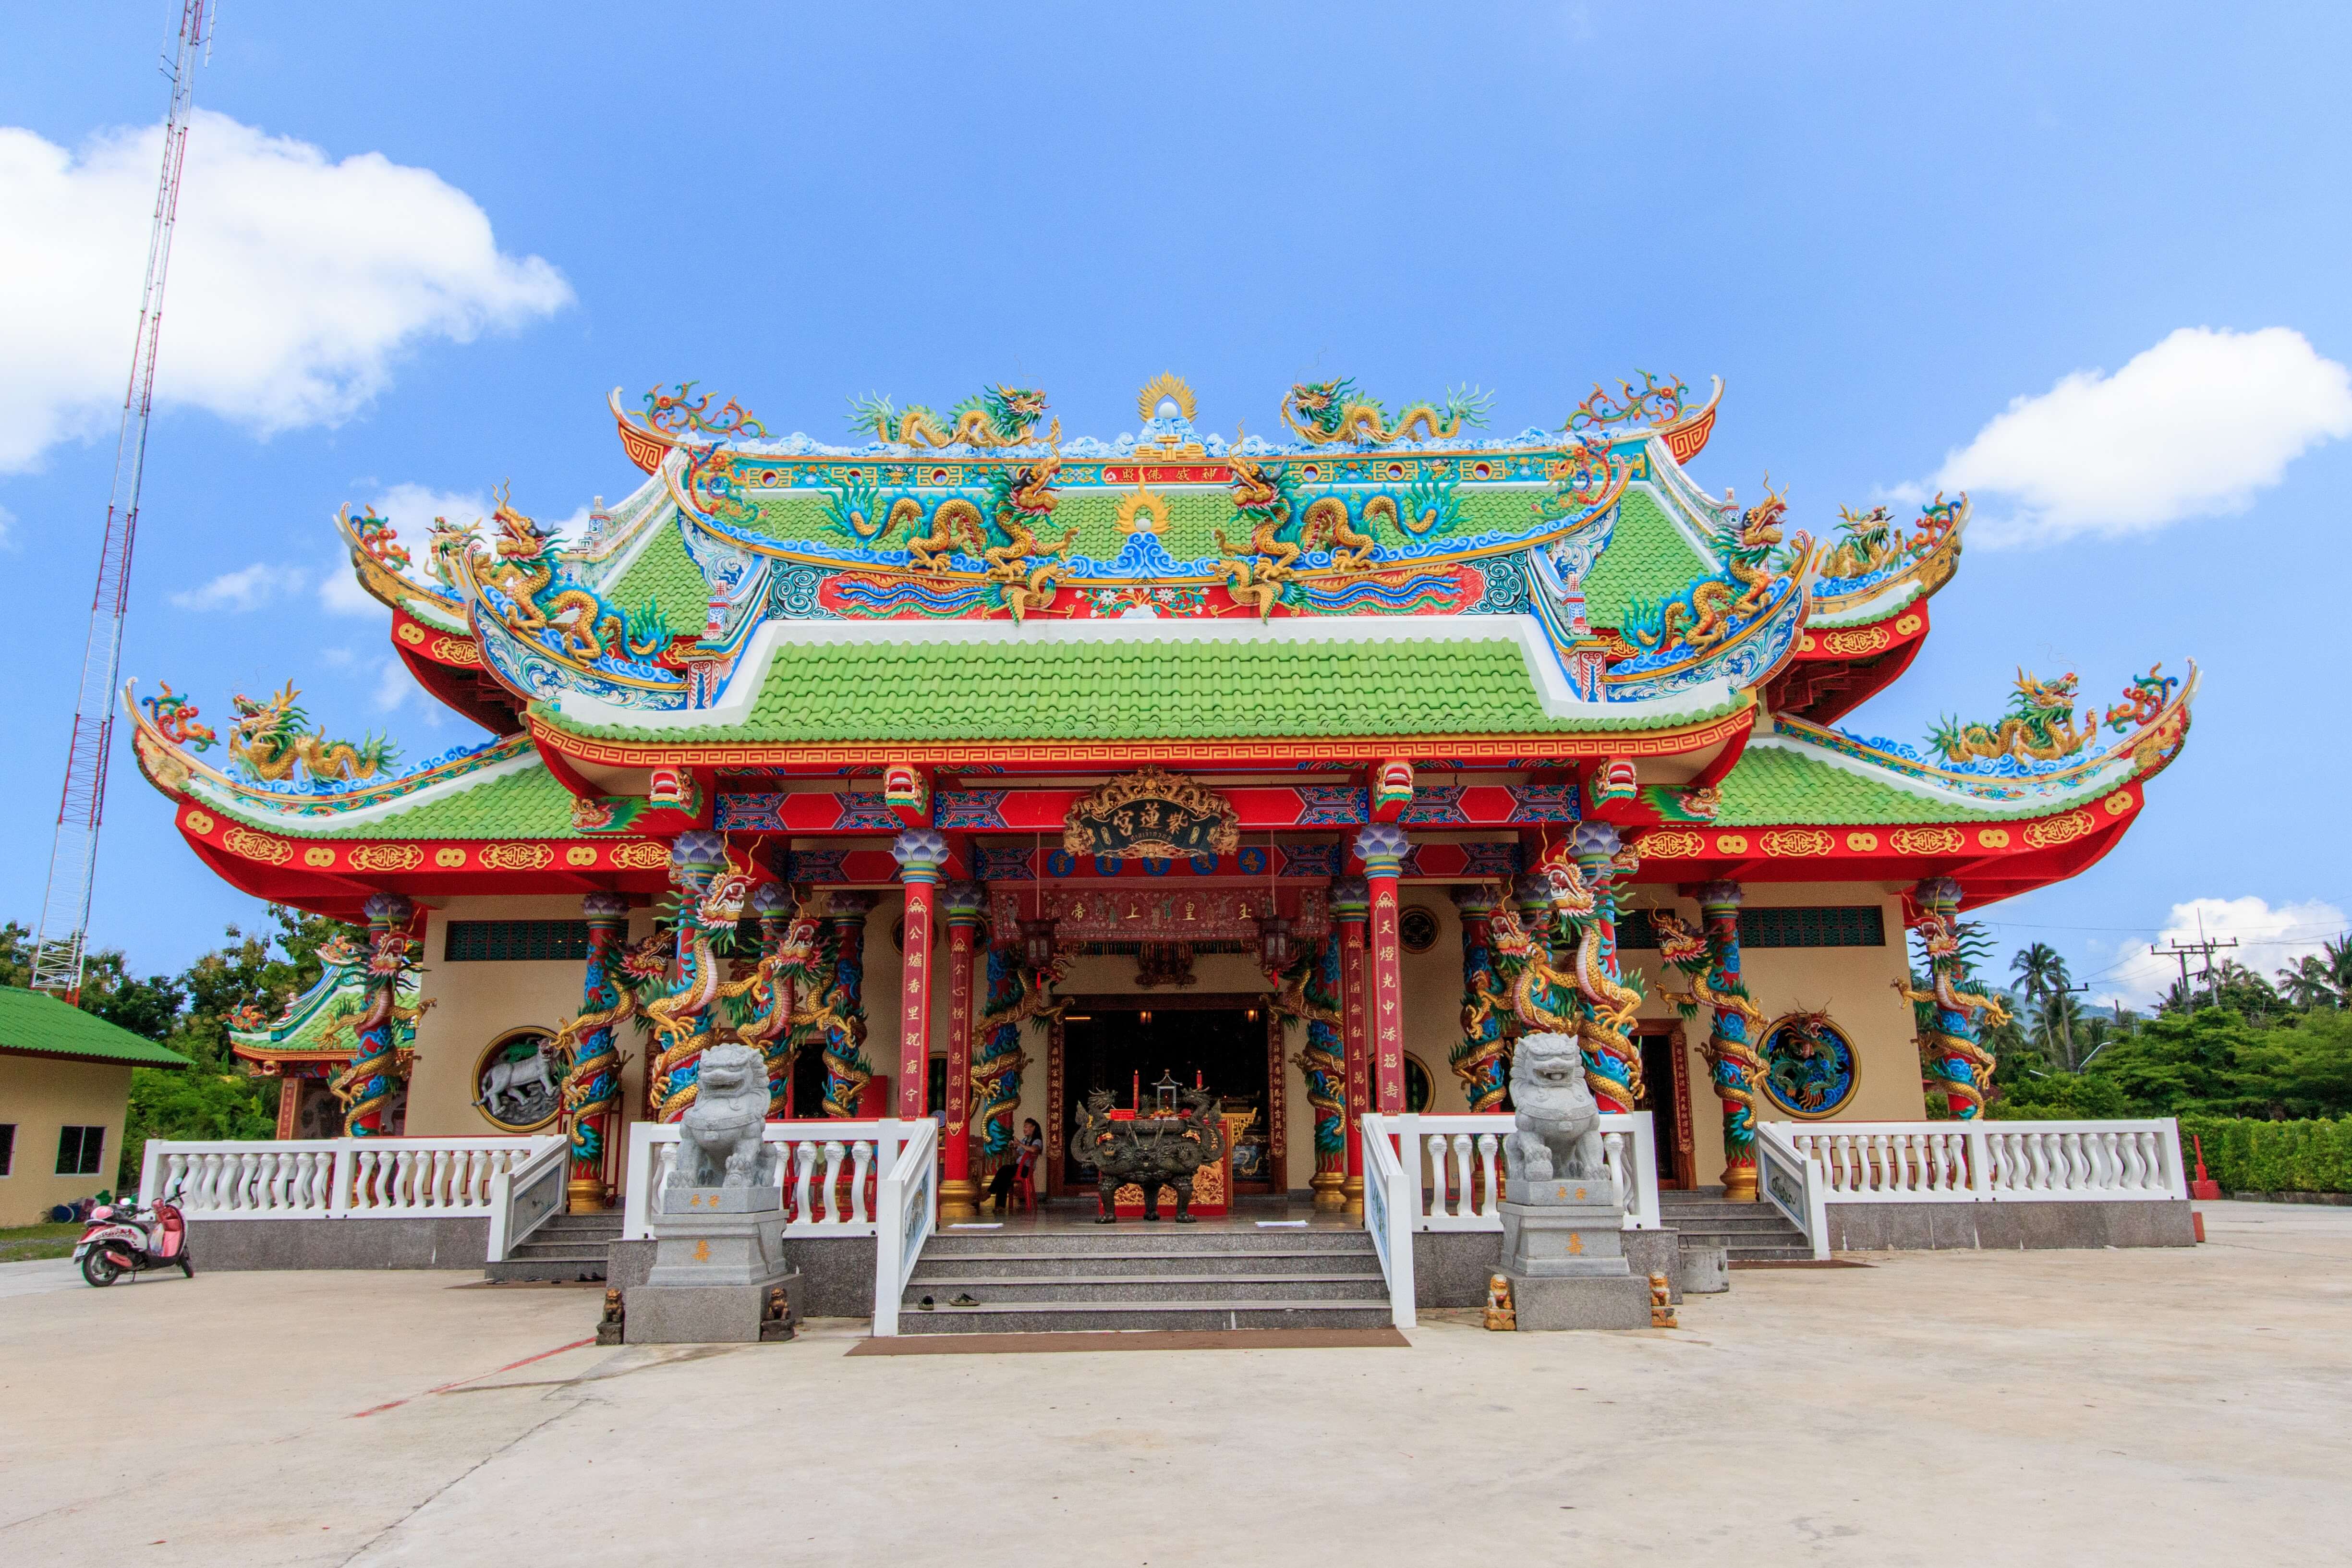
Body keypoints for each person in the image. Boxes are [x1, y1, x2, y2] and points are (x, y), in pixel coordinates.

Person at [987, 1118, 1044, 1213]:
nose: (1024, 1129)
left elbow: (1034, 1150)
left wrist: (1020, 1144)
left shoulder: (1037, 1141)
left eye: (1026, 1127)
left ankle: (990, 1192)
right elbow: (1016, 1156)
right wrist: (1013, 1147)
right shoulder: (1025, 1140)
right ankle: (999, 1206)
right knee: (1004, 1176)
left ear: (1033, 1128)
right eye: (1024, 1127)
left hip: (1026, 1169)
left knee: (1004, 1170)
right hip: (1018, 1166)